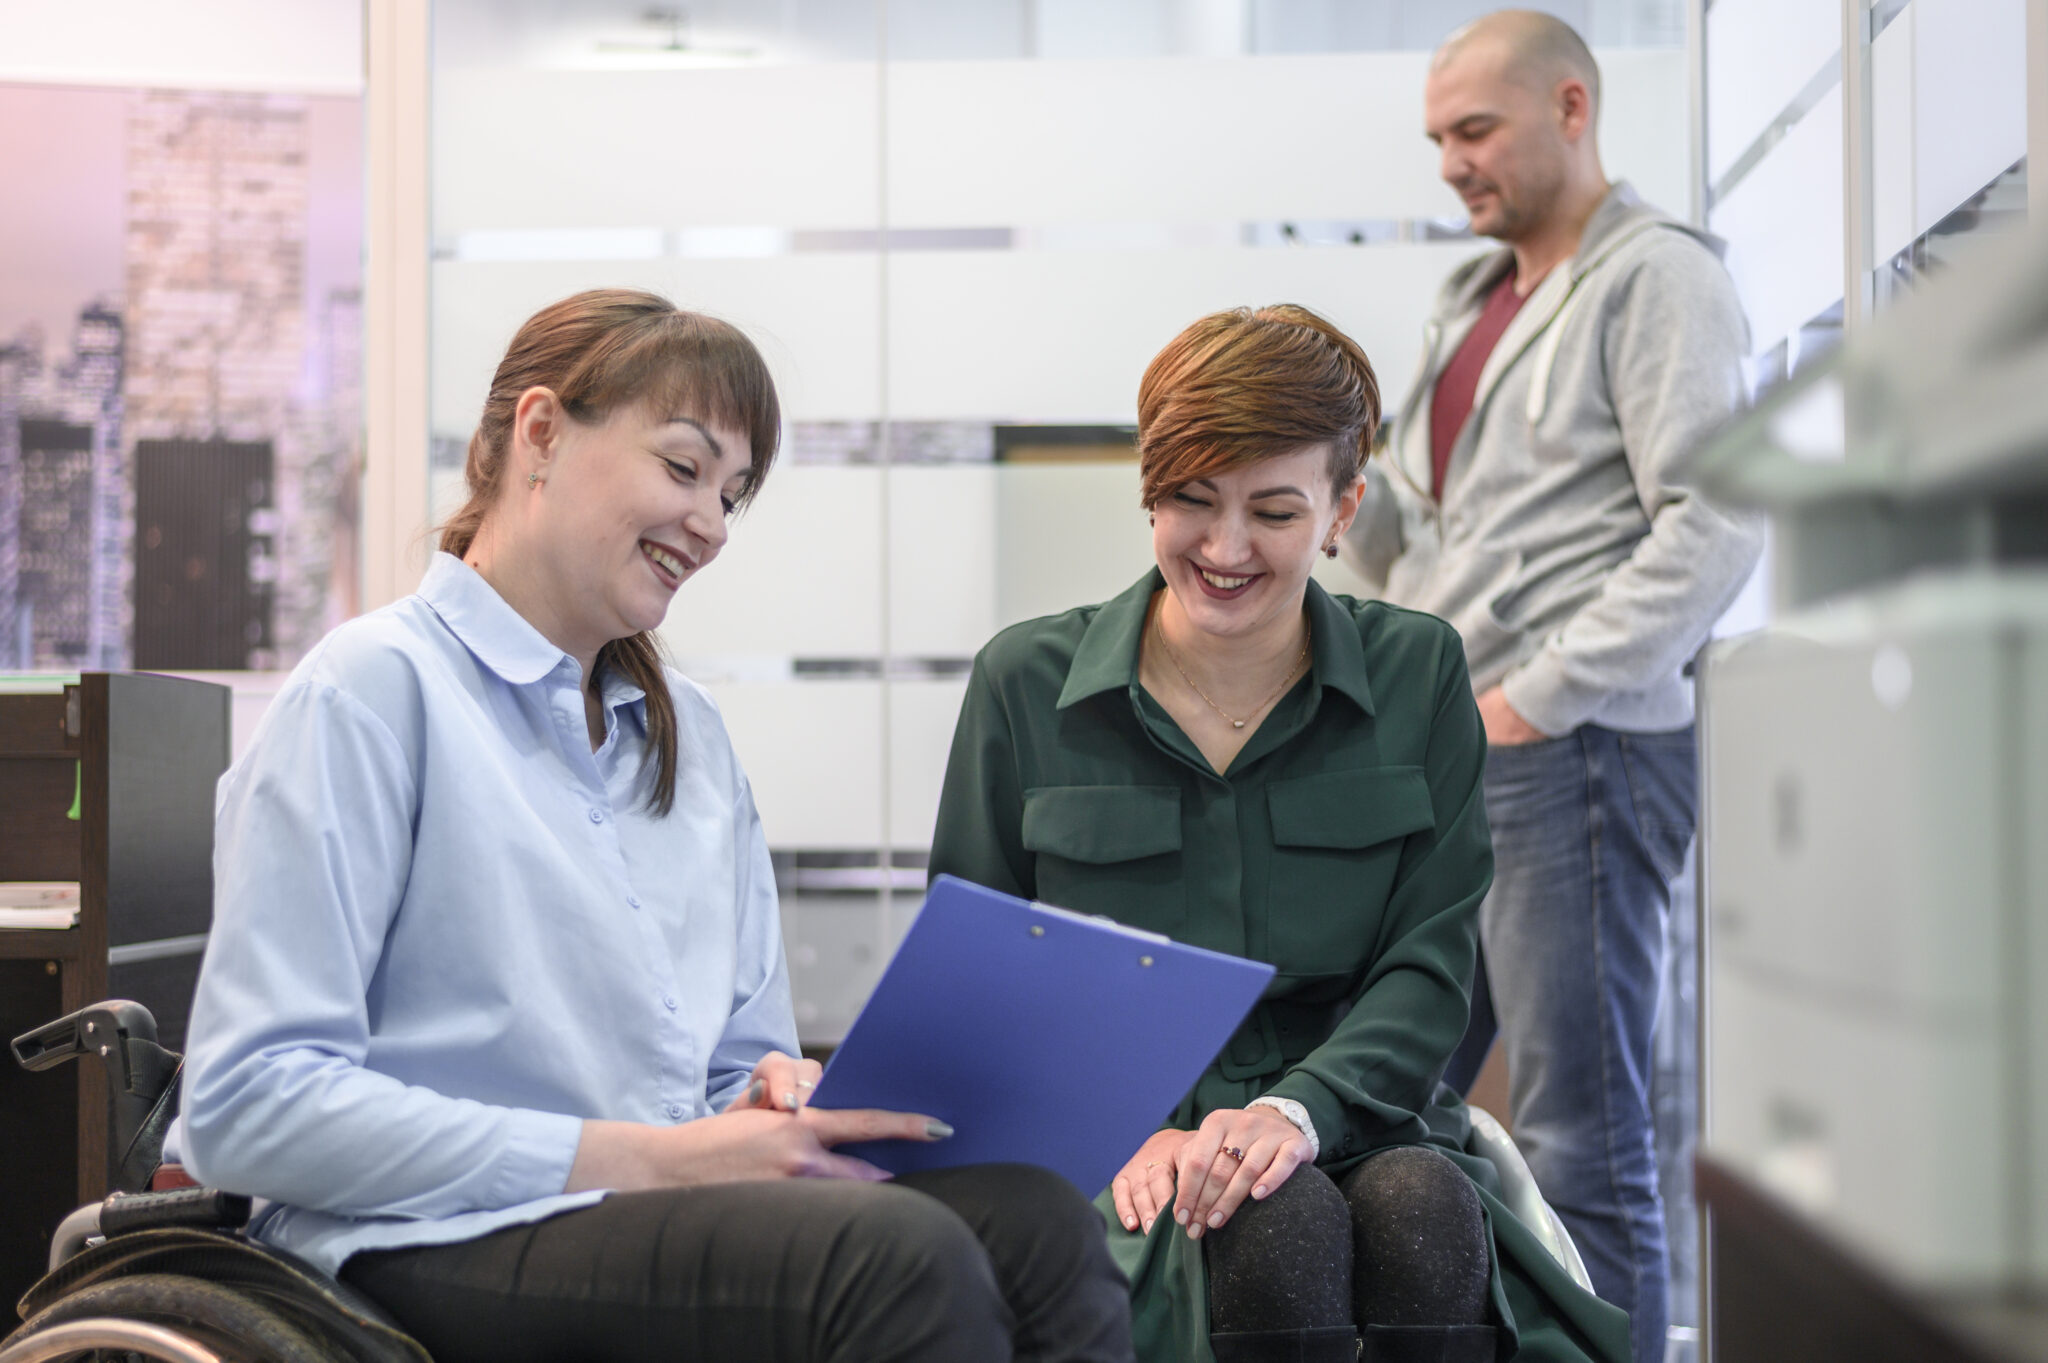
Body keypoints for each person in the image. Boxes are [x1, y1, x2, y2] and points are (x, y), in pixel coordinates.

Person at [176, 289, 1134, 1363]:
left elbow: (737, 1060)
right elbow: (244, 1107)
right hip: (419, 1238)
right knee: (899, 1258)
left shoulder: (691, 738)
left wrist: (770, 1093)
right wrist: (646, 1157)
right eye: (684, 468)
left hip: (647, 1215)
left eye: (731, 494)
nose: (712, 526)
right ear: (540, 432)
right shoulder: (370, 692)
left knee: (1039, 1225)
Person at [931, 303, 1628, 1363]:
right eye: (1190, 499)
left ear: (1343, 508)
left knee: (1421, 1210)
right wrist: (1120, 1125)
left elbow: (1428, 967)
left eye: (1272, 510)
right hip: (1119, 1148)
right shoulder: (1022, 684)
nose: (1224, 548)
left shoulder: (1419, 674)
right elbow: (977, 987)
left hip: (1358, 1117)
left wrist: (1296, 1112)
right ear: (1149, 490)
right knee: (1274, 1224)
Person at [1339, 13, 1764, 1360]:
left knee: (1583, 1135)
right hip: (1457, 755)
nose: (1450, 164)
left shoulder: (1657, 278)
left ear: (1571, 109)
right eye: (1437, 139)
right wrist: (1328, 490)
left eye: (1475, 131)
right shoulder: (1469, 302)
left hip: (1574, 753)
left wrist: (1538, 695)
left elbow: (1718, 516)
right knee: (1394, 1100)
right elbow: (1428, 532)